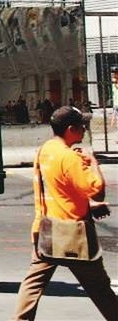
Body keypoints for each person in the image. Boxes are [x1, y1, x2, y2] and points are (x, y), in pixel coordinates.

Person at [13, 106, 117, 320]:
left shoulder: (45, 150)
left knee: (32, 284)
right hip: (73, 235)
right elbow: (96, 191)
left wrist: (89, 206)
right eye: (82, 126)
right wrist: (94, 163)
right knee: (100, 288)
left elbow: (59, 190)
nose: (85, 130)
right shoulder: (71, 158)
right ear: (71, 129)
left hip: (45, 229)